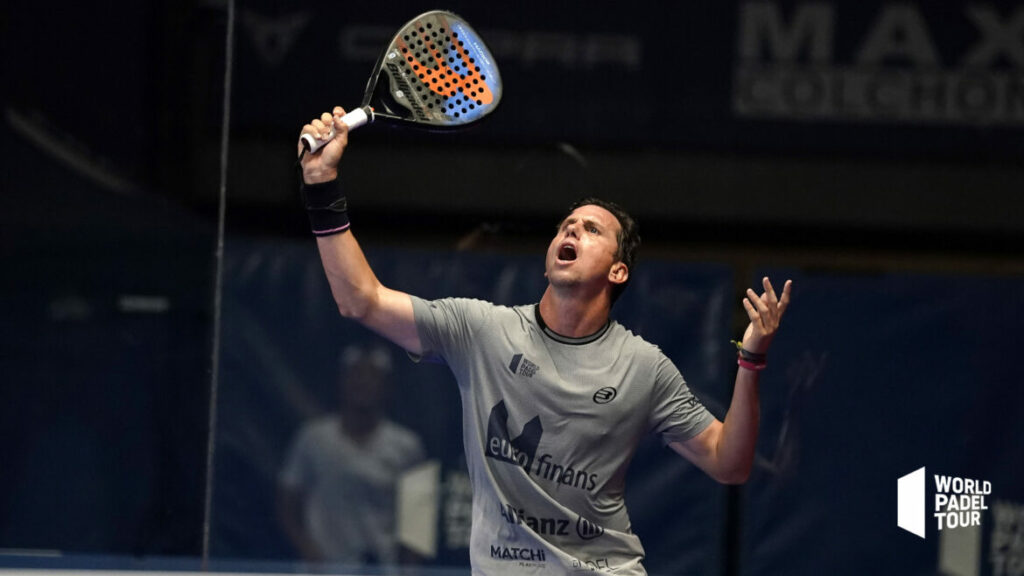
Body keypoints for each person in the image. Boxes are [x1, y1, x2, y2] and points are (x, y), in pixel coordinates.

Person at [297, 107, 793, 575]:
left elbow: (729, 464)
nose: (571, 230)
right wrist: (321, 184)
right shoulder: (480, 331)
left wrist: (751, 360)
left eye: (591, 229)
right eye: (566, 226)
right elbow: (359, 299)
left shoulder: (644, 367)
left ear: (618, 270)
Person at [277, 343, 425, 566]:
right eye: (355, 374)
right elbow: (287, 503)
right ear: (342, 381)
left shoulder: (408, 446)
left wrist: (409, 570)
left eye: (372, 376)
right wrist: (309, 551)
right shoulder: (313, 439)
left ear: (387, 386)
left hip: (382, 570)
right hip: (322, 571)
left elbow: (418, 520)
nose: (363, 382)